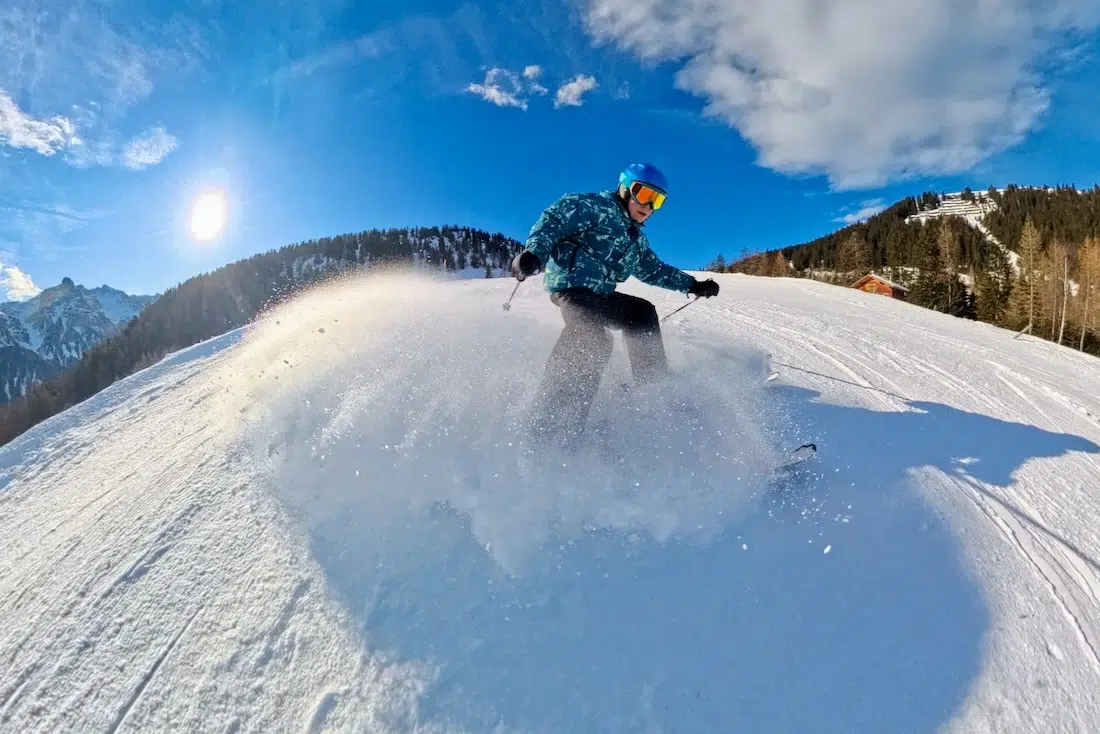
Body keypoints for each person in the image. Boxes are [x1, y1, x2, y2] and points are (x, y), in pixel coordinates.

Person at [510, 162, 719, 450]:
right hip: (572, 288)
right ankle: (552, 423)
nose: (648, 206)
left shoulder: (635, 239)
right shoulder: (592, 206)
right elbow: (553, 222)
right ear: (625, 189)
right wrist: (534, 253)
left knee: (641, 312)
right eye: (643, 194)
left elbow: (654, 270)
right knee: (593, 337)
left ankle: (653, 390)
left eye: (657, 200)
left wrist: (692, 285)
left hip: (601, 295)